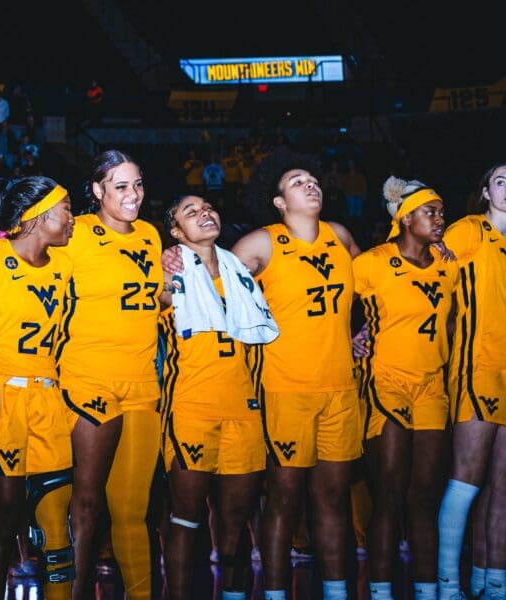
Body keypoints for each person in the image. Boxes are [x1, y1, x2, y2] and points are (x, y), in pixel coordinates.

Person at [165, 149, 362, 600]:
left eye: (313, 177)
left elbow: (375, 285)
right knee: (278, 504)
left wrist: (361, 330)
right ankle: (273, 593)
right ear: (277, 201)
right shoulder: (258, 245)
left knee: (329, 502)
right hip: (279, 390)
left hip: (336, 390)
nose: (311, 183)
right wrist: (168, 260)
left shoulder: (341, 235)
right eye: (297, 180)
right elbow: (202, 274)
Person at [56, 150, 165, 599]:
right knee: (84, 505)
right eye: (121, 186)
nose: (133, 194)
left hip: (141, 383)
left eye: (137, 184)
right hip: (87, 380)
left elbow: (156, 300)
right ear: (98, 190)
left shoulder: (151, 236)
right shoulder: (75, 231)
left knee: (133, 513)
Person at [0, 176, 76, 599]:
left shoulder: (66, 264)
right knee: (4, 523)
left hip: (49, 397)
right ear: (37, 216)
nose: (72, 217)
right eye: (66, 208)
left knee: (56, 525)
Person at [159, 195, 272, 599]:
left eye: (208, 208)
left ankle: (235, 594)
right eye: (191, 212)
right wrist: (161, 265)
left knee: (236, 520)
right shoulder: (167, 273)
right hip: (191, 408)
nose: (205, 213)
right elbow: (146, 294)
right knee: (187, 519)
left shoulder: (241, 271)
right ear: (175, 232)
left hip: (243, 408)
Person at [354, 177, 456, 600]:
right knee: (391, 494)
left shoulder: (449, 263)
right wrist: (350, 338)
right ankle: (379, 591)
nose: (439, 219)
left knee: (426, 497)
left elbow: (450, 321)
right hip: (386, 381)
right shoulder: (372, 262)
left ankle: (429, 589)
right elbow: (327, 303)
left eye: (441, 212)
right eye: (430, 212)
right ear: (405, 218)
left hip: (432, 384)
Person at [436, 162, 506, 600]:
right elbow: (417, 261)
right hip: (477, 368)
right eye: (502, 181)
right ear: (485, 192)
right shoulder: (469, 231)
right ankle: (446, 582)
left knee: (502, 488)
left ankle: (492, 581)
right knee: (467, 480)